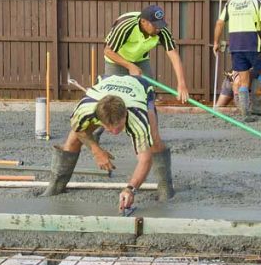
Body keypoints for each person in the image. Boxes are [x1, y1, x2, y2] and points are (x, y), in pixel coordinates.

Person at [41, 75, 173, 211]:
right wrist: (96, 150)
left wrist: (130, 189)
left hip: (140, 87)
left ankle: (165, 185)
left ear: (125, 115)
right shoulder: (84, 110)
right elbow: (78, 129)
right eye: (108, 127)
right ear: (98, 118)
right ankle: (57, 185)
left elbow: (145, 159)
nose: (114, 132)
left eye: (119, 126)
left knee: (154, 140)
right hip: (106, 81)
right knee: (73, 139)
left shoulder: (138, 117)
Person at [212, 0, 261, 123]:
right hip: (253, 43)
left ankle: (245, 111)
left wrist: (216, 42)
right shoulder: (258, 1)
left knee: (243, 79)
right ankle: (257, 105)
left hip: (235, 45)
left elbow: (219, 23)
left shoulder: (231, 2)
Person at [103, 5, 189, 102]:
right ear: (143, 21)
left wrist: (181, 84)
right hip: (116, 60)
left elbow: (174, 56)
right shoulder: (126, 27)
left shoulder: (161, 31)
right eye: (155, 25)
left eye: (160, 25)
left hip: (140, 59)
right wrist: (130, 66)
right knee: (113, 98)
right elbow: (108, 51)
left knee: (148, 94)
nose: (158, 29)